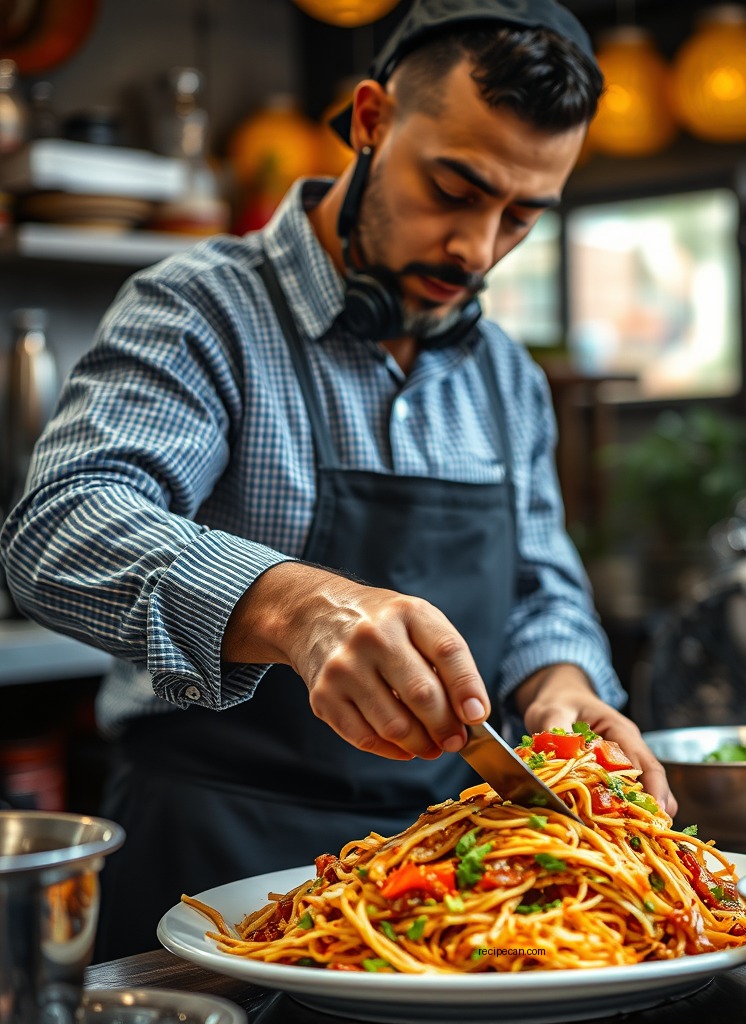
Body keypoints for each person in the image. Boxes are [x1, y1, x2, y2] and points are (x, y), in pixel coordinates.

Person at [0, 0, 676, 960]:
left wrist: (562, 686)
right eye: (453, 188)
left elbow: (539, 584)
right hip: (211, 862)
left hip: (451, 875)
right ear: (371, 121)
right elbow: (58, 528)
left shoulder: (506, 378)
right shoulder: (199, 310)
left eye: (520, 216)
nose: (477, 251)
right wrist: (294, 609)